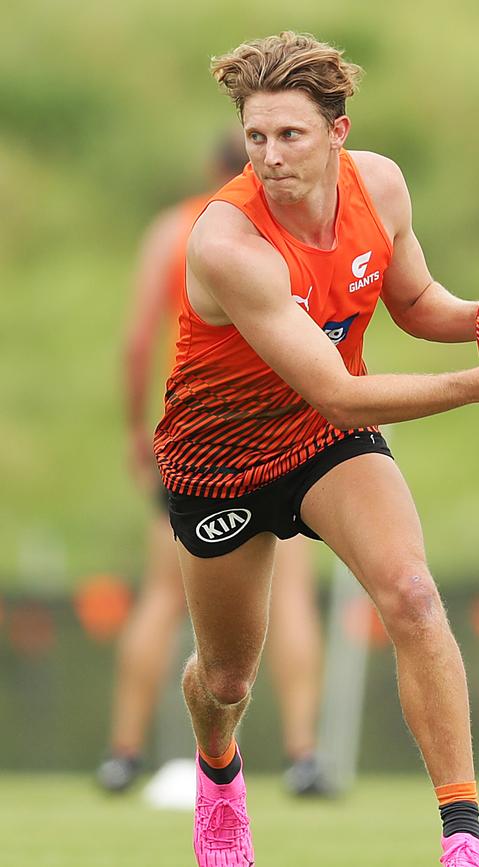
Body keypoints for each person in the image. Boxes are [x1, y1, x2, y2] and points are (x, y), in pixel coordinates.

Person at [153, 31, 479, 867]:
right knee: (227, 680)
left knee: (415, 596)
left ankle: (464, 839)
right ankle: (218, 778)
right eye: (255, 136)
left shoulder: (379, 186)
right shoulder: (226, 241)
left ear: (338, 132)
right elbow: (339, 388)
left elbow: (418, 301)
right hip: (220, 458)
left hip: (322, 442)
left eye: (291, 135)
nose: (270, 156)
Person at [97, 131, 330, 797]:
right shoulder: (282, 231)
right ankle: (304, 752)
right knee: (289, 597)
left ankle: (123, 751)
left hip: (198, 431)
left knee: (163, 596)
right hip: (286, 427)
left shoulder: (176, 230)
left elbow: (139, 340)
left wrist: (134, 431)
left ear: (211, 169)